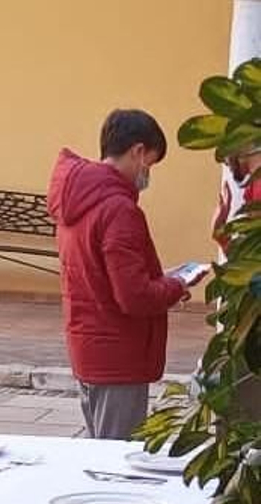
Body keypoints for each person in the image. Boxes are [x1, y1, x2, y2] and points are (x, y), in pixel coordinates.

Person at [48, 109, 194, 440]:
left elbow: (99, 275)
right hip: (119, 354)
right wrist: (177, 284)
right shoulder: (118, 209)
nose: (148, 174)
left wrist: (163, 278)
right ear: (138, 151)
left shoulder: (79, 199)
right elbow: (135, 297)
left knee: (97, 452)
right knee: (115, 465)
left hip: (89, 345)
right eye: (151, 164)